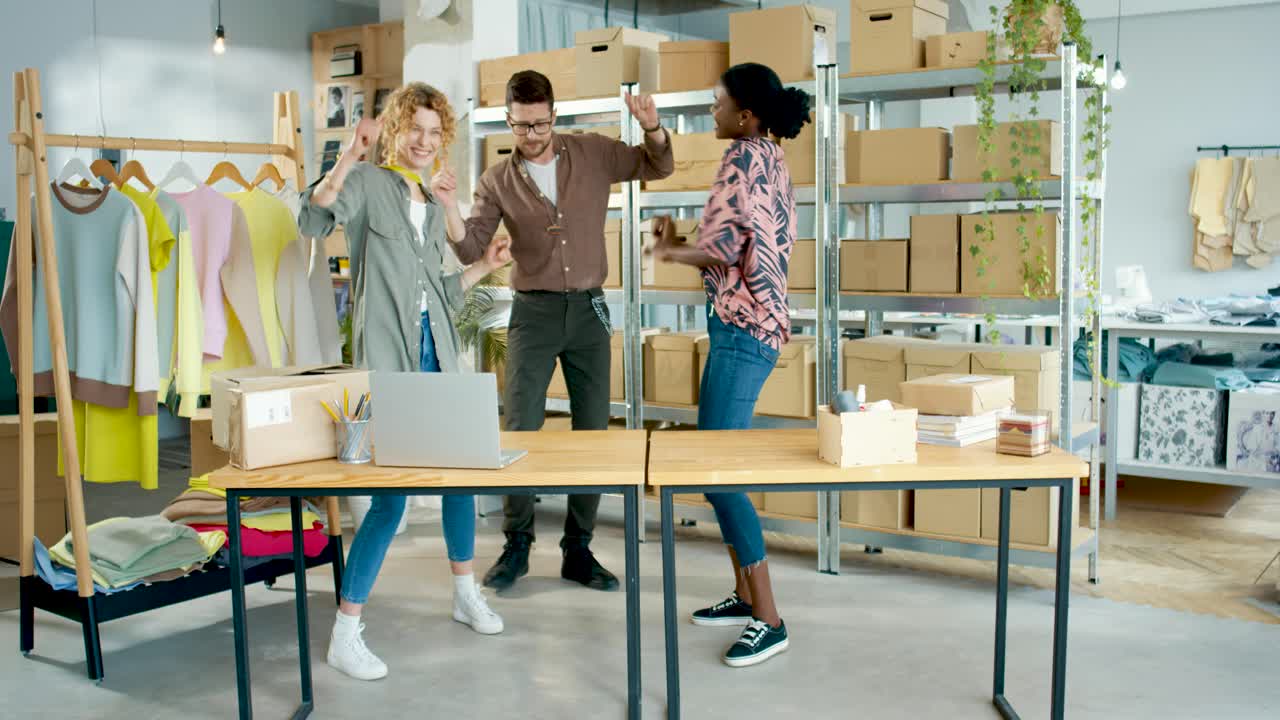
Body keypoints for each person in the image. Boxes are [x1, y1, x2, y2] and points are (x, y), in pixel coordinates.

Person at [298, 82, 514, 681]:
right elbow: (312, 219)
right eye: (414, 129)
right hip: (389, 360)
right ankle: (346, 631)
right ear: (396, 129)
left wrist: (484, 267)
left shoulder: (429, 196)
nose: (423, 141)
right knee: (389, 501)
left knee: (460, 479)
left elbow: (440, 296)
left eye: (434, 132)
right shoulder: (368, 184)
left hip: (437, 355)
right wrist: (349, 153)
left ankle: (465, 592)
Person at [436, 70, 673, 592]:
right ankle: (517, 543)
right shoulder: (496, 180)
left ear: (554, 115)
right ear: (509, 121)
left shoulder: (591, 153)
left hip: (589, 310)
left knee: (592, 430)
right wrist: (449, 206)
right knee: (520, 424)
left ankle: (578, 549)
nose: (531, 135)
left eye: (540, 124)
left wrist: (652, 127)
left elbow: (658, 163)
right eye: (520, 127)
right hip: (533, 313)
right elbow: (471, 248)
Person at [650, 62, 810, 668]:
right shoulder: (772, 158)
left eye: (718, 103)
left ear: (745, 115)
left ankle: (769, 618)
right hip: (751, 326)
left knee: (718, 472)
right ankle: (745, 597)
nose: (712, 111)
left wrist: (666, 249)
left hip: (743, 329)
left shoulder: (741, 158)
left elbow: (724, 247)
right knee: (716, 464)